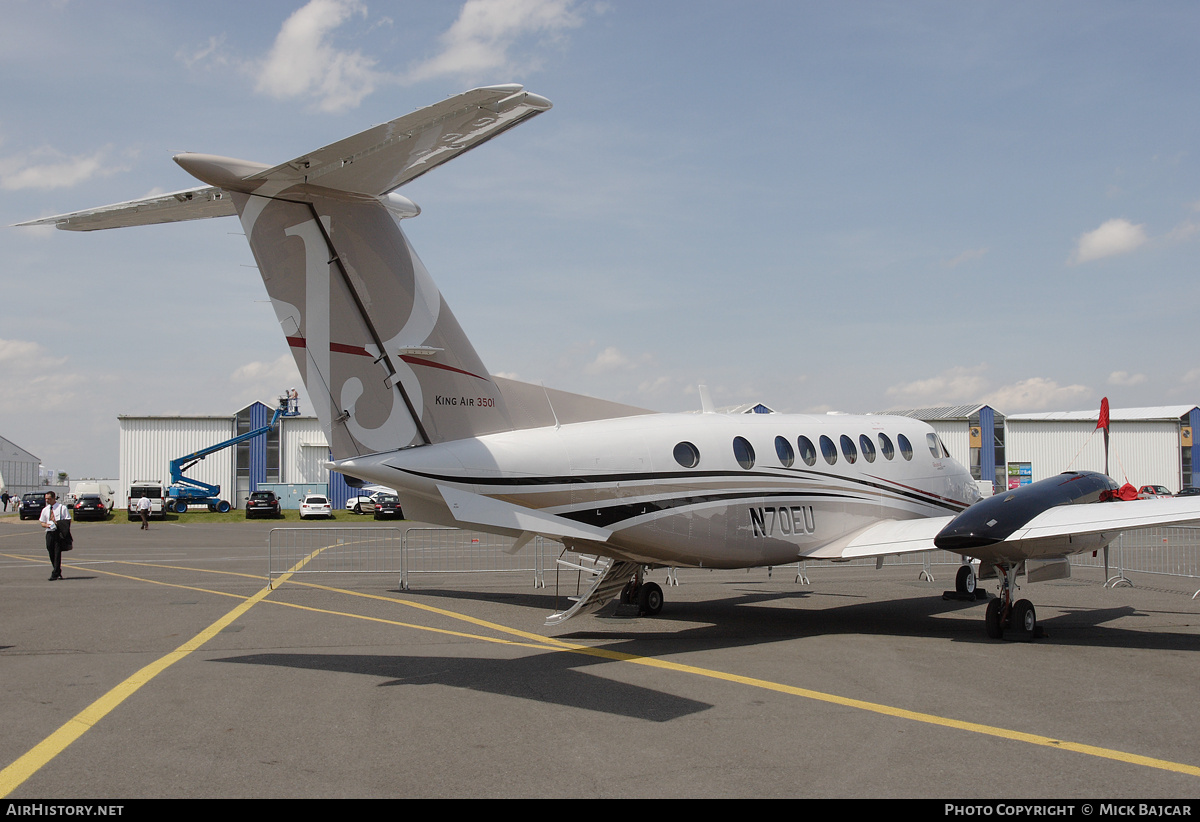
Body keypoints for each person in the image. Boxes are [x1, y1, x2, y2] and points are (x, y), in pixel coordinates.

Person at [39, 491, 72, 581]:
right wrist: (47, 525)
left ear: (54, 498)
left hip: (58, 533)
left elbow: (68, 520)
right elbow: (42, 522)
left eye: (49, 499)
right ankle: (58, 571)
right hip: (49, 532)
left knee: (57, 553)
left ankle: (55, 574)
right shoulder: (45, 509)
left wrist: (57, 523)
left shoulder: (62, 508)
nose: (47, 500)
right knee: (51, 552)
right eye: (46, 499)